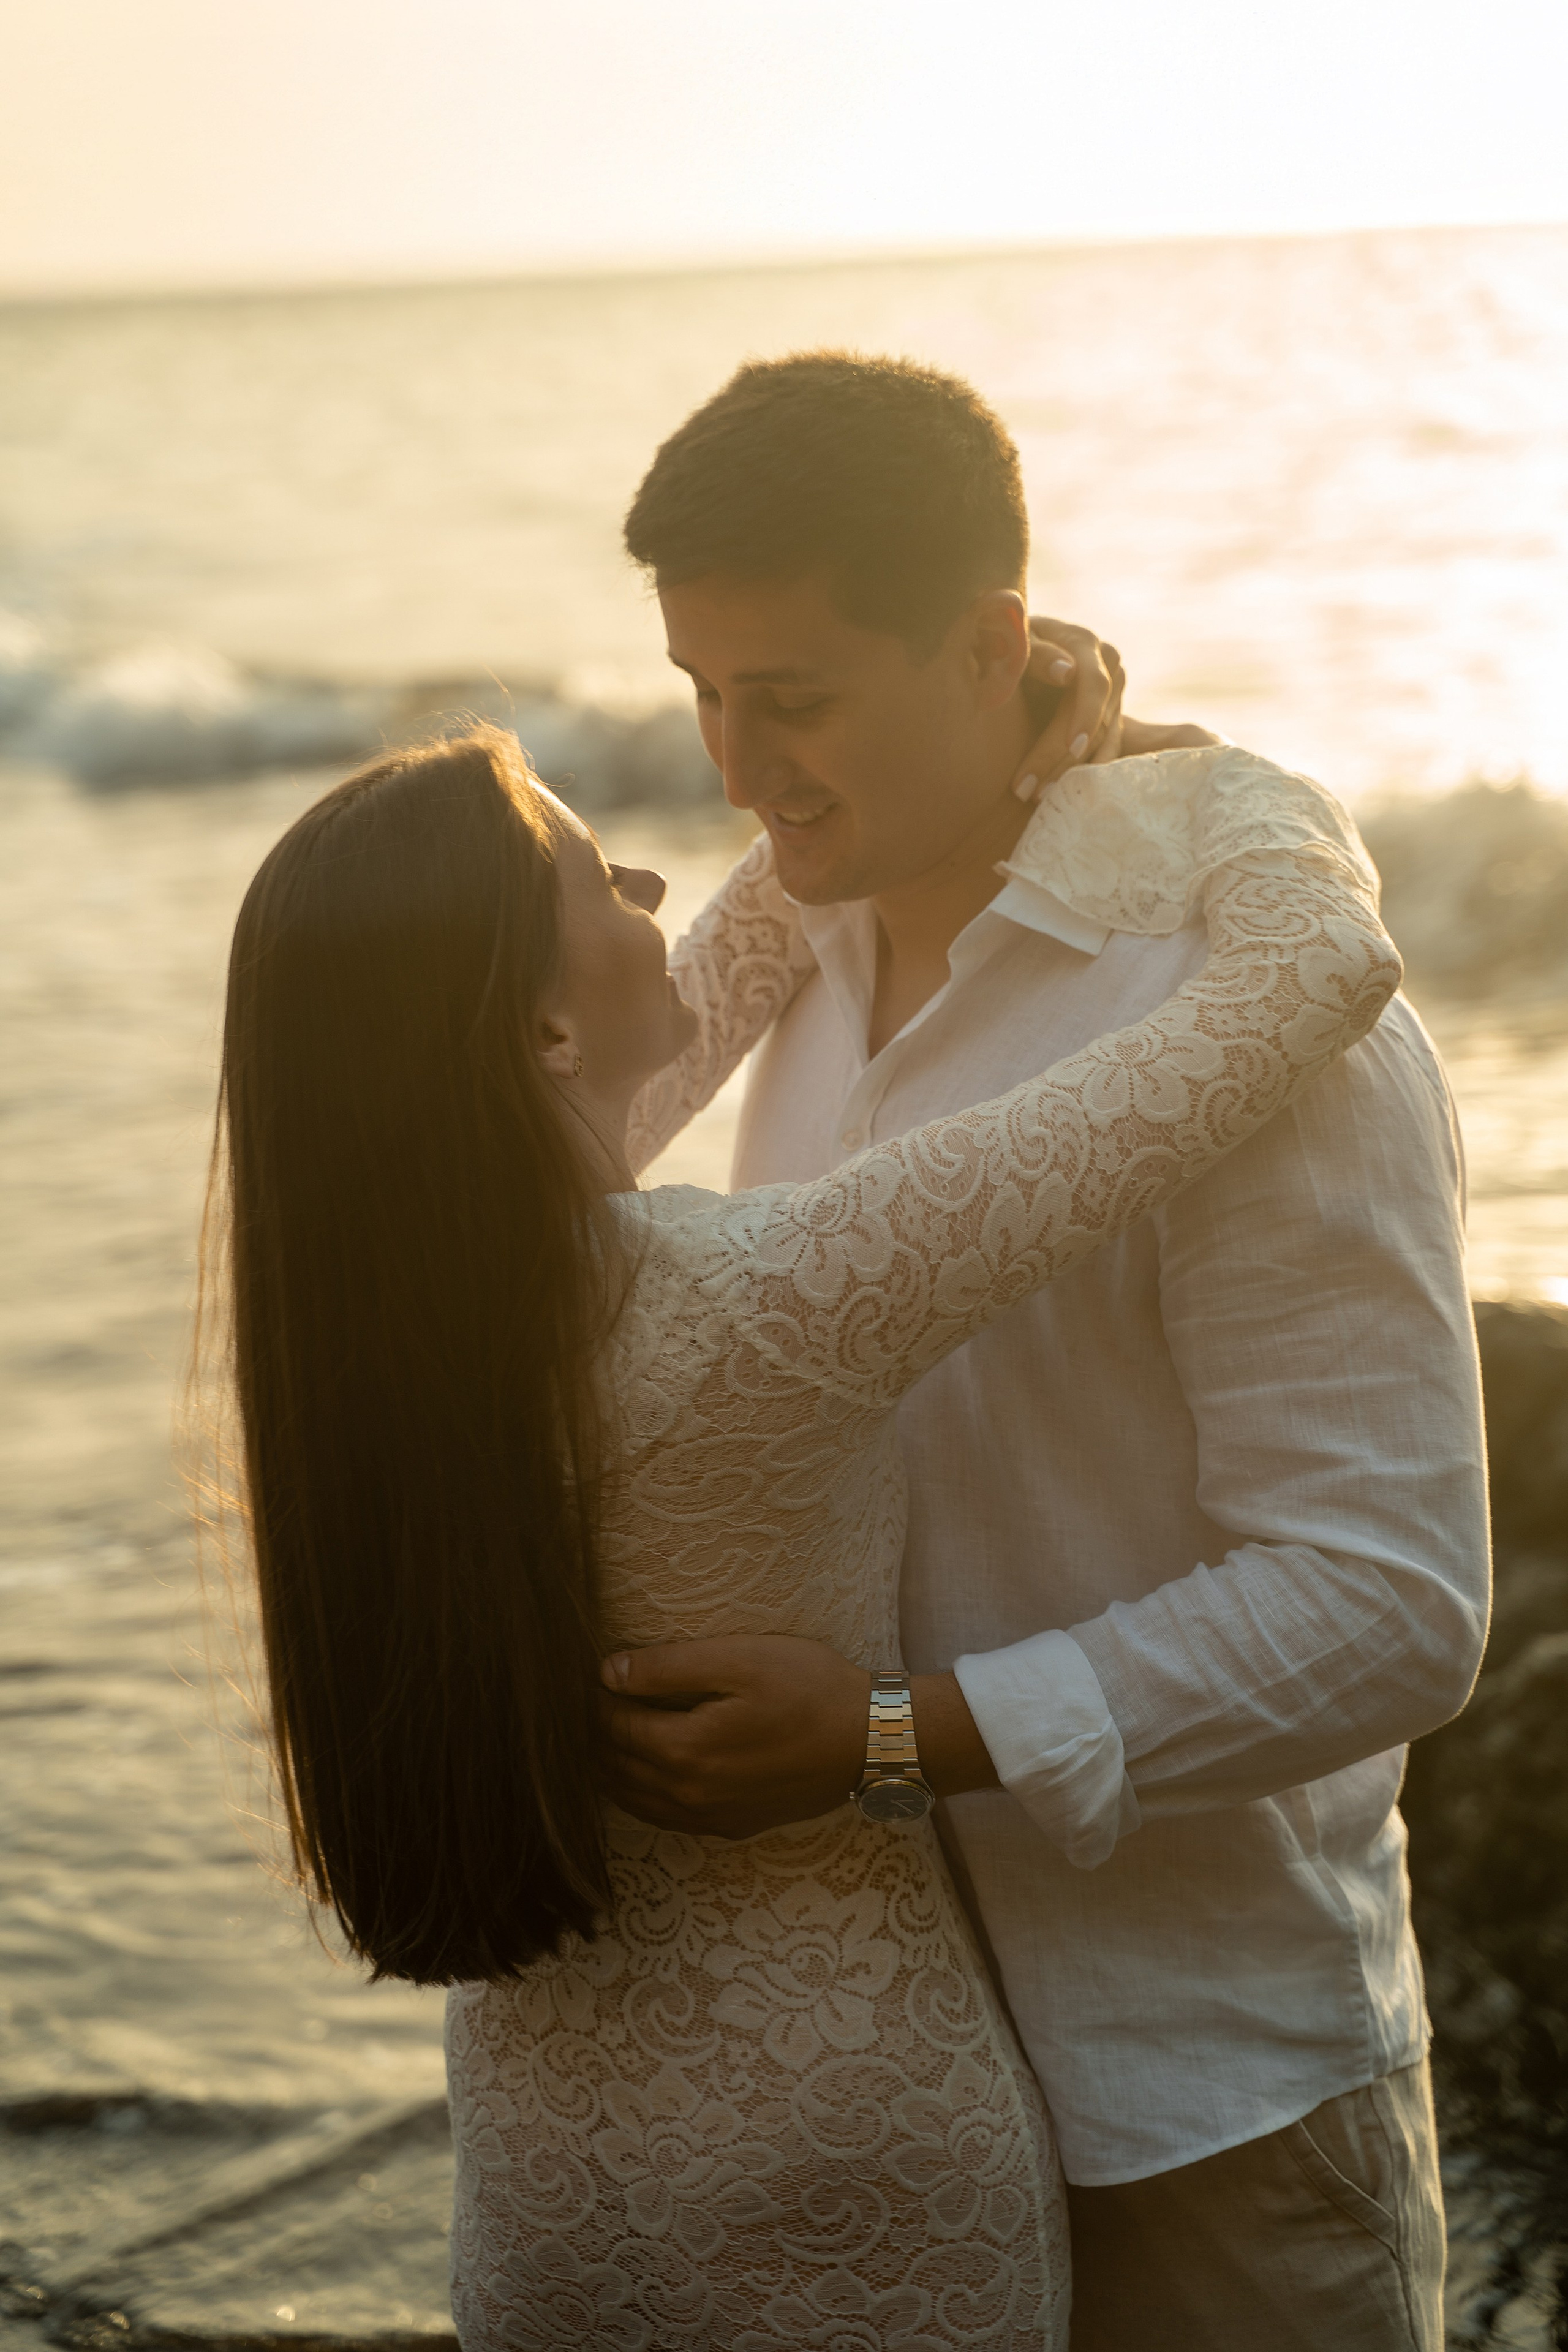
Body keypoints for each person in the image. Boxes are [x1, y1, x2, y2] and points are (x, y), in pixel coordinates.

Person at [204, 709, 1399, 2349]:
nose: (651, 877)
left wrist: (934, 751)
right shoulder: (772, 1303)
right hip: (852, 2160)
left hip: (550, 2182)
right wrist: (1220, 782)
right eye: (589, 870)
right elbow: (1315, 976)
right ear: (543, 1037)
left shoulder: (366, 1362)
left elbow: (651, 1017)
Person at [602, 352, 1491, 2352]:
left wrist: (888, 1739)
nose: (739, 768)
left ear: (994, 643)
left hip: (1200, 2099)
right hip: (846, 2091)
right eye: (702, 695)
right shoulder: (783, 968)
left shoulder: (1241, 1006)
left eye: (796, 697)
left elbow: (1392, 1608)